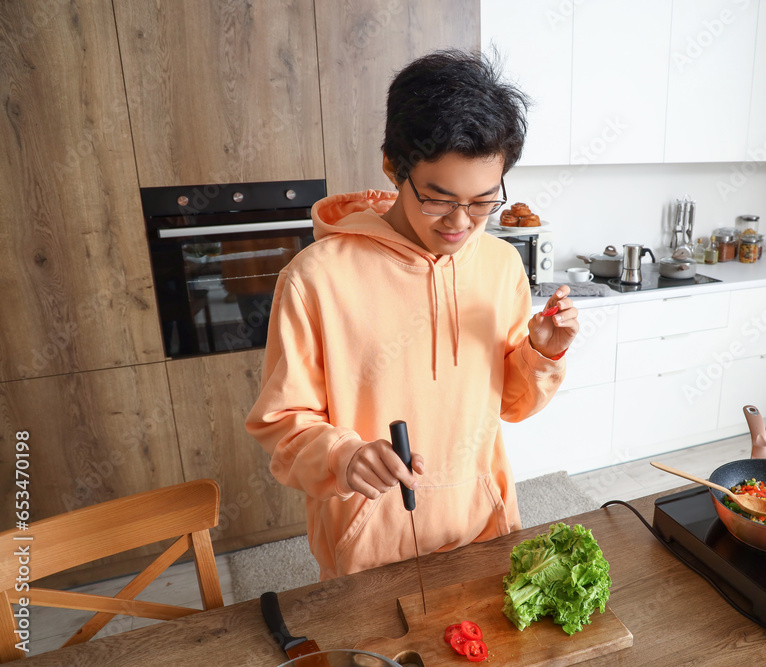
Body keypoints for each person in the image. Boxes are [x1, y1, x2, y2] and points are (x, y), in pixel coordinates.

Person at [245, 49, 579, 579]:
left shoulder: (500, 265)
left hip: (485, 527)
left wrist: (543, 352)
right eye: (438, 199)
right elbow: (283, 424)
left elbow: (512, 406)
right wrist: (343, 456)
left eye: (482, 202)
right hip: (369, 546)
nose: (461, 223)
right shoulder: (316, 278)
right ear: (392, 165)